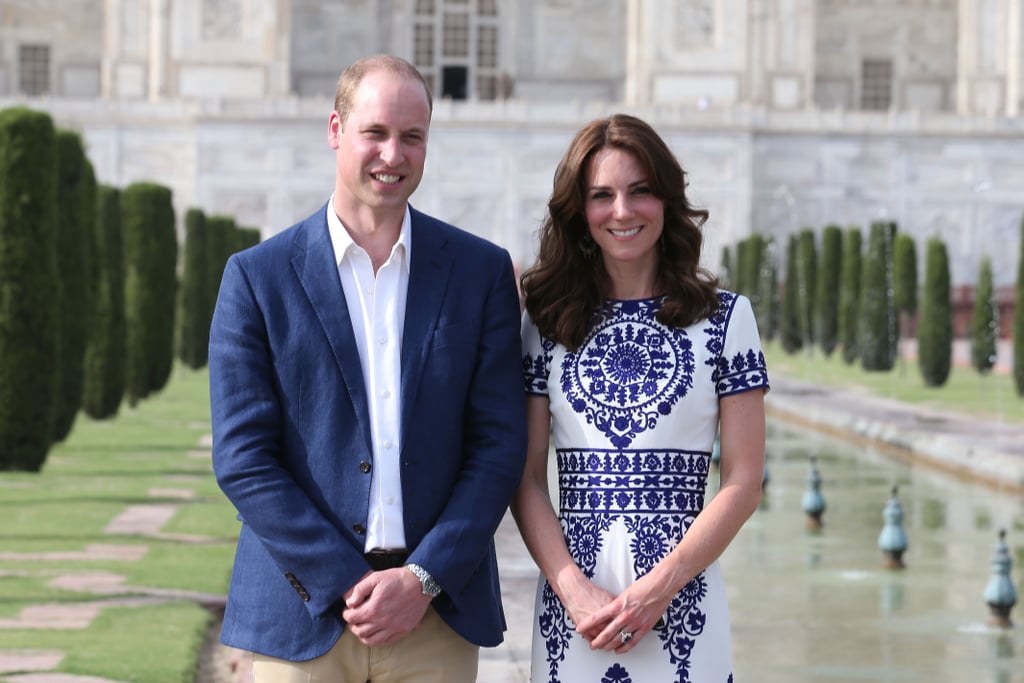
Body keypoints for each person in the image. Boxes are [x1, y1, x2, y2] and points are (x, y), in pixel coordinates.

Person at [208, 54, 527, 682]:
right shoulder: (257, 277)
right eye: (375, 133)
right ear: (335, 130)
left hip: (435, 616)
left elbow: (497, 445)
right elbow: (243, 456)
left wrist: (422, 579)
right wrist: (349, 582)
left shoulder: (479, 273)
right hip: (302, 613)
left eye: (412, 137)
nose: (393, 154)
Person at [512, 113, 769, 682]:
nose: (622, 211)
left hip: (682, 611)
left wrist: (659, 589)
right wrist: (573, 590)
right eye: (602, 195)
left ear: (667, 200)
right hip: (576, 614)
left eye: (640, 191)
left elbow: (744, 483)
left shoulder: (725, 320)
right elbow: (526, 478)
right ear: (580, 212)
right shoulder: (547, 324)